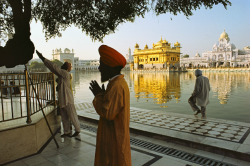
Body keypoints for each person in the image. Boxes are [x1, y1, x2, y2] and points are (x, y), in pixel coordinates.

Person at [89, 45, 131, 166]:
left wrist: (98, 95)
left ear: (109, 66)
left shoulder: (117, 86)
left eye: (101, 65)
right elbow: (110, 106)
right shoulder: (115, 84)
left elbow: (108, 113)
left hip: (115, 140)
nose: (99, 68)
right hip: (112, 137)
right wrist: (102, 95)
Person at [36, 50, 81, 137]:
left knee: (72, 114)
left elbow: (54, 67)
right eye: (70, 66)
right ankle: (67, 131)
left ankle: (78, 129)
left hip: (67, 98)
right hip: (63, 98)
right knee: (64, 116)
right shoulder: (63, 75)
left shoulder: (64, 73)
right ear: (66, 67)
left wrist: (43, 59)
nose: (71, 67)